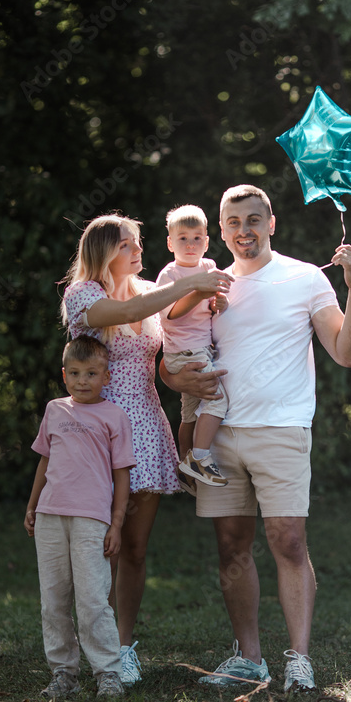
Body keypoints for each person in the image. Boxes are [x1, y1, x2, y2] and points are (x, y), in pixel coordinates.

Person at [159, 184, 351, 692]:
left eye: (253, 220)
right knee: (231, 546)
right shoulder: (207, 282)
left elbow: (348, 352)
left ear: (271, 224)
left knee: (289, 541)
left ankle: (299, 658)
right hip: (220, 435)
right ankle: (249, 658)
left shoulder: (303, 278)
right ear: (221, 230)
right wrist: (175, 380)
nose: (243, 231)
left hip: (283, 429)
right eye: (233, 223)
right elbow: (172, 355)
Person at [61, 213, 232, 684]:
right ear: (103, 251)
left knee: (134, 548)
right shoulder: (84, 296)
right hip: (99, 434)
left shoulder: (146, 294)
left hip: (148, 428)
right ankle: (89, 648)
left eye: (138, 243)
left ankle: (122, 646)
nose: (139, 251)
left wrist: (180, 375)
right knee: (100, 548)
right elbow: (127, 317)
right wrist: (189, 282)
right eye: (128, 245)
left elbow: (157, 363)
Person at [24, 335, 136, 699]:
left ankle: (108, 673)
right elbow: (44, 461)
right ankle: (63, 673)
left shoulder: (114, 416)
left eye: (91, 373)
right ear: (64, 375)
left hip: (92, 521)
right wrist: (32, 505)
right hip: (50, 516)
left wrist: (116, 523)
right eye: (74, 373)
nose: (82, 380)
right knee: (53, 600)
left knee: (92, 600)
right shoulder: (55, 410)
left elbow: (122, 474)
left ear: (107, 377)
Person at [155, 204, 230, 492]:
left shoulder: (209, 267)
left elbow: (213, 305)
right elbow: (170, 313)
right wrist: (198, 290)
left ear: (207, 241)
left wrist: (218, 303)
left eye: (197, 238)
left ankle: (185, 468)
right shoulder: (169, 275)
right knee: (217, 400)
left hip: (201, 349)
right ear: (170, 242)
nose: (190, 244)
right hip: (185, 352)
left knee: (189, 413)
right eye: (182, 238)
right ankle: (199, 458)